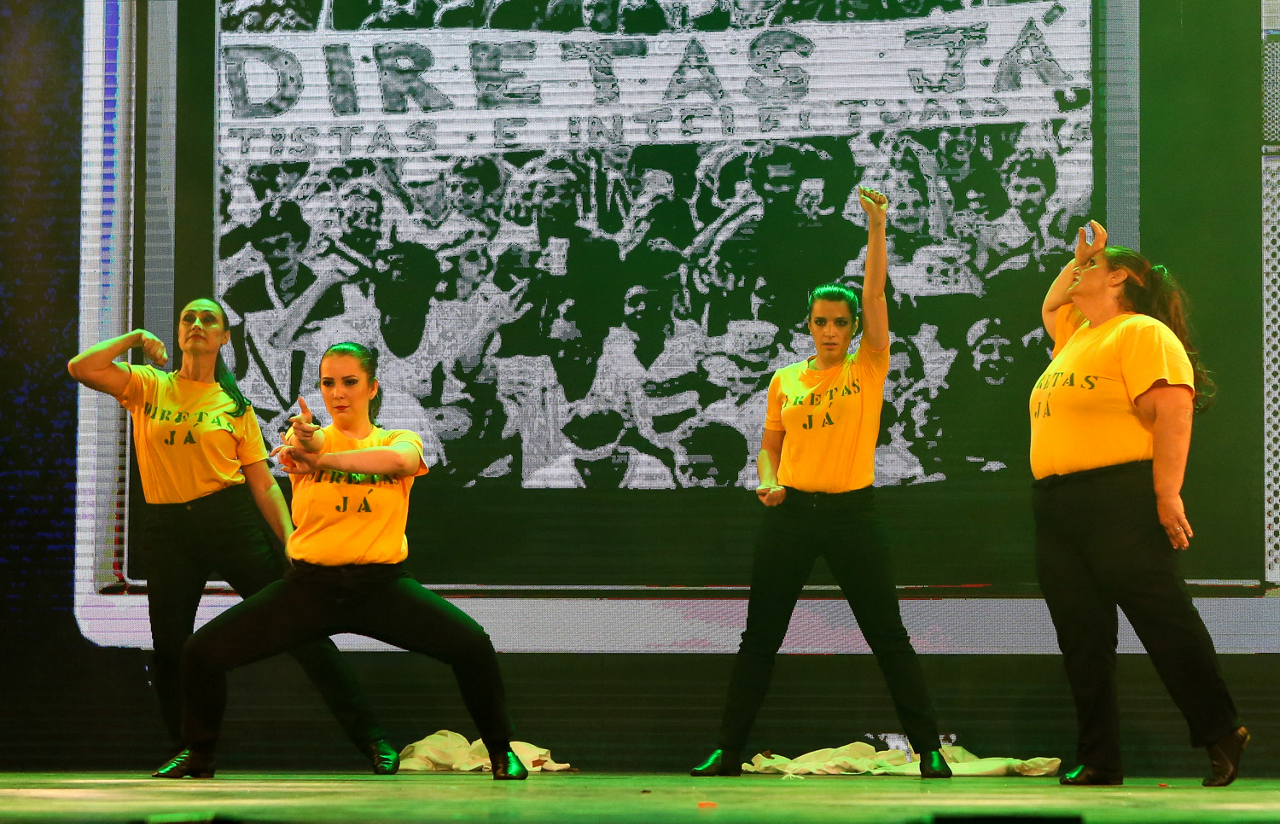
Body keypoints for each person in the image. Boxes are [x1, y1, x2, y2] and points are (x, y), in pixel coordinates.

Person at [154, 342, 528, 780]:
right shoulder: (305, 440)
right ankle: (199, 755)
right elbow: (306, 441)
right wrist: (307, 442)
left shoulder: (397, 439)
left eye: (350, 382)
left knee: (472, 645)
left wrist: (323, 459)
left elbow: (399, 461)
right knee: (202, 651)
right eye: (328, 383)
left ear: (372, 388)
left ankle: (501, 751)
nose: (338, 393)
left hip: (381, 587)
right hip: (310, 588)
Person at [66, 299, 396, 774]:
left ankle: (372, 738)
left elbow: (263, 485)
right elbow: (81, 367)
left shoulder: (235, 407)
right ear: (179, 332)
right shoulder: (148, 384)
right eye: (188, 318)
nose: (197, 325)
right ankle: (192, 750)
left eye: (209, 320)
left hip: (228, 520)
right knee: (171, 647)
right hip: (168, 529)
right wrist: (136, 338)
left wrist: (291, 542)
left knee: (301, 628)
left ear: (224, 337)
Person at [690, 187, 951, 778]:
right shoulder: (785, 379)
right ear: (808, 325)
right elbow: (769, 446)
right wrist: (766, 480)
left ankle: (929, 748)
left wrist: (877, 227)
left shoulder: (869, 365)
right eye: (821, 322)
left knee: (889, 636)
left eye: (840, 322)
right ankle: (727, 749)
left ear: (854, 327)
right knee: (759, 638)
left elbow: (875, 292)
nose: (830, 331)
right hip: (790, 516)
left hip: (852, 515)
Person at [1033, 221, 1247, 787]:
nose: (1076, 274)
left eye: (1091, 269)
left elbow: (1174, 408)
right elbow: (1052, 304)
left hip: (1118, 497)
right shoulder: (1077, 336)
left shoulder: (1141, 332)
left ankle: (1221, 729)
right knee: (1081, 637)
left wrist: (1166, 493)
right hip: (1057, 503)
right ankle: (1099, 758)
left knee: (1161, 618)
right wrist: (1081, 257)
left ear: (1119, 278)